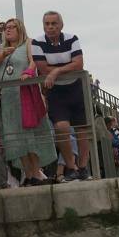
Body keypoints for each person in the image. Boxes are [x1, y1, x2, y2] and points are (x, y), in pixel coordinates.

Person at [0, 18, 56, 186]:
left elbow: (34, 61)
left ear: (20, 29)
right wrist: (2, 54)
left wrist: (28, 71)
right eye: (6, 28)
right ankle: (29, 174)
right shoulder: (0, 48)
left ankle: (36, 171)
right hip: (7, 98)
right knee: (16, 138)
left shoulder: (28, 43)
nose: (8, 30)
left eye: (12, 27)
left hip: (25, 94)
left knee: (30, 134)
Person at [32, 11, 91, 181]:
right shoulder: (37, 42)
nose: (50, 27)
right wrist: (67, 67)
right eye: (47, 24)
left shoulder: (72, 39)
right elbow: (43, 69)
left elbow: (79, 64)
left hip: (76, 88)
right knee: (61, 128)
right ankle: (71, 167)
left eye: (54, 23)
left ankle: (83, 166)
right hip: (56, 90)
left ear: (61, 25)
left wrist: (57, 70)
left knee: (82, 128)